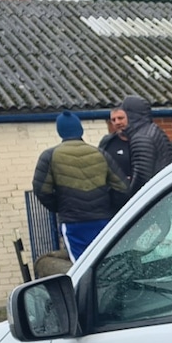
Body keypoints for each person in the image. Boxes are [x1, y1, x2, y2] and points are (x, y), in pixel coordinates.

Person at [32, 111, 127, 261]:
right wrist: (108, 206)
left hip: (73, 222)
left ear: (60, 131)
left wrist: (60, 207)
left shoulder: (49, 156)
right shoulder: (100, 154)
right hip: (103, 220)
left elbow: (41, 190)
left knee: (81, 265)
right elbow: (122, 187)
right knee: (109, 262)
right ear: (80, 130)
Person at [119, 94, 172, 197]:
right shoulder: (153, 130)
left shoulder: (141, 138)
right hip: (168, 189)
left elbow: (142, 177)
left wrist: (131, 197)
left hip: (160, 194)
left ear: (131, 115)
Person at [98, 105, 131, 183]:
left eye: (120, 118)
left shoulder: (143, 141)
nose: (117, 122)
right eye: (113, 120)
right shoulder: (107, 142)